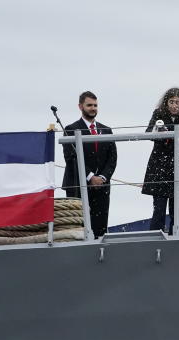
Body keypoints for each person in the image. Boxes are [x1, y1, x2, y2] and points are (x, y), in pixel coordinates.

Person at [62, 91, 118, 239]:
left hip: (102, 187)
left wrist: (103, 177)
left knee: (100, 228)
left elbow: (113, 158)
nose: (93, 108)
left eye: (95, 105)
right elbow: (71, 158)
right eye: (89, 105)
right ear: (80, 106)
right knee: (79, 229)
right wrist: (91, 177)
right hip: (78, 185)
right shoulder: (70, 129)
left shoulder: (106, 130)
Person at [141, 87, 179, 234]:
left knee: (177, 210)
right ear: (166, 102)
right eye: (171, 102)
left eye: (177, 102)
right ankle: (154, 239)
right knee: (159, 209)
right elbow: (149, 133)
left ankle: (174, 239)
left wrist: (166, 133)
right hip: (159, 165)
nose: (174, 105)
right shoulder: (158, 113)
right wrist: (161, 132)